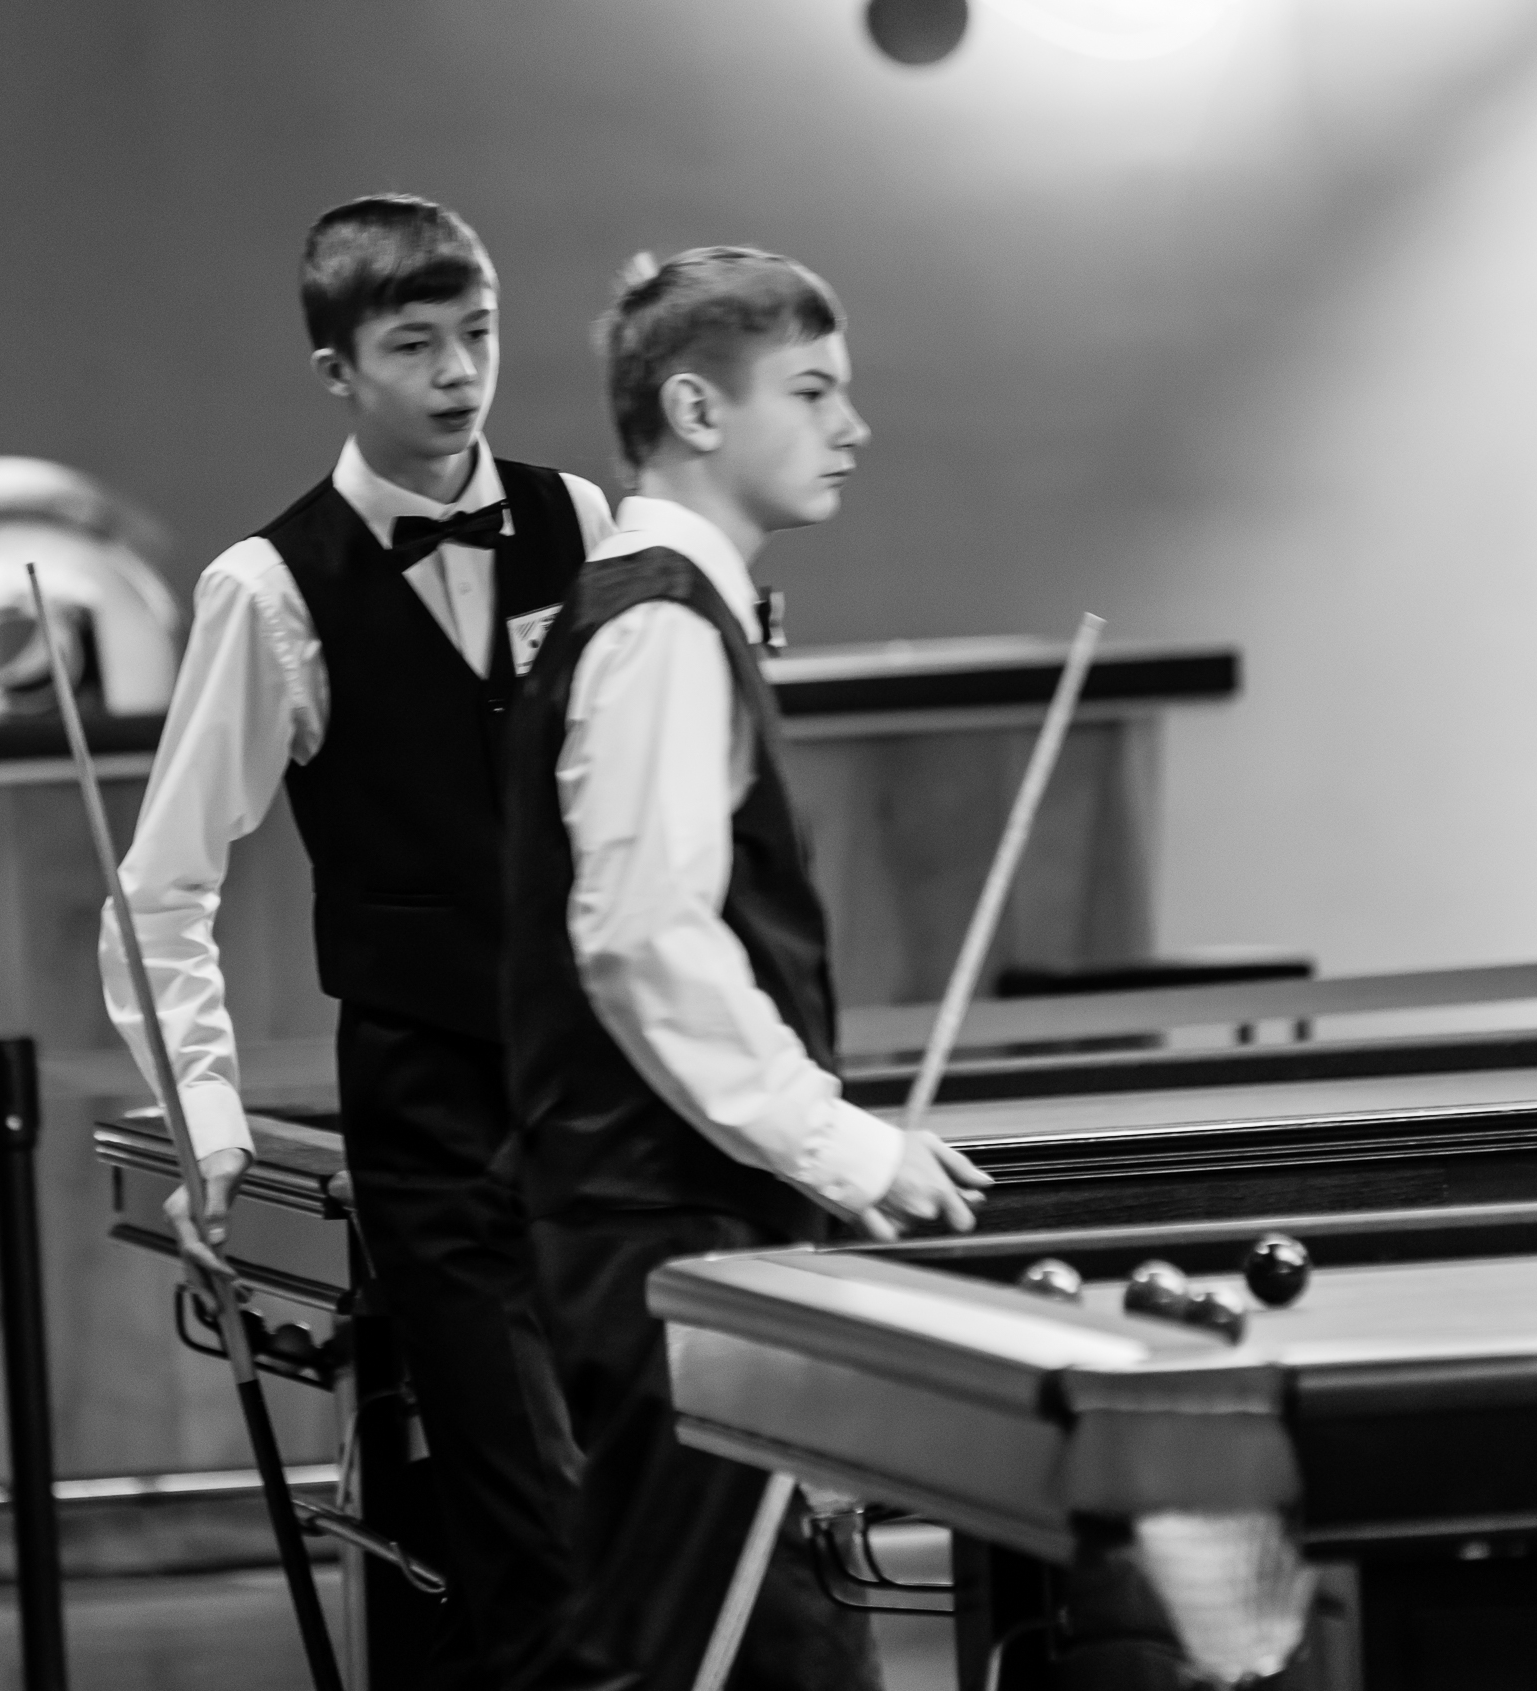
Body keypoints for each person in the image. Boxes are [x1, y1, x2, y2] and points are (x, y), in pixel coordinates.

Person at [100, 193, 612, 1689]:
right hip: (435, 1117)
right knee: (535, 1534)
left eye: (480, 334)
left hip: (600, 1096)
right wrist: (204, 1115)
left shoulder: (583, 521)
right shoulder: (268, 589)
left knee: (654, 1516)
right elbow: (159, 890)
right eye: (414, 344)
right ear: (336, 369)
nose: (459, 372)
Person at [502, 246, 993, 1691]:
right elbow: (641, 936)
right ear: (697, 410)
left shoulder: (656, 604)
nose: (853, 426)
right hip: (670, 1233)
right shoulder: (659, 622)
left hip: (668, 1222)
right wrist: (843, 1145)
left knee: (742, 1650)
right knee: (731, 1658)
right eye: (814, 390)